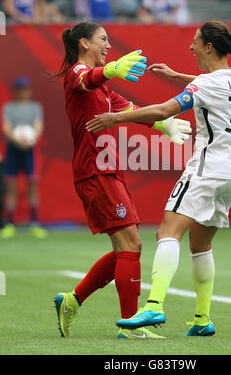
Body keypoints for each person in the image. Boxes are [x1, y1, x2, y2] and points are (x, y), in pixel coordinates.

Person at [86, 15, 231, 337]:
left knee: (167, 232)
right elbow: (208, 84)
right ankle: (203, 319)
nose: (190, 46)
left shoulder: (205, 84)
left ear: (208, 46)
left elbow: (165, 111)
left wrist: (115, 118)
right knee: (201, 244)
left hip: (207, 167)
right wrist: (176, 74)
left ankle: (153, 306)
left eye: (194, 41)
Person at [52, 21, 191, 340]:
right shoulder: (78, 74)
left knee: (124, 251)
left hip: (108, 170)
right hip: (94, 172)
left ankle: (71, 302)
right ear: (84, 44)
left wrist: (163, 126)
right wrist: (113, 67)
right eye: (103, 40)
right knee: (132, 244)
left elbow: (129, 110)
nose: (108, 45)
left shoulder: (103, 87)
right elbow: (87, 80)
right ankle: (131, 326)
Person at [1, 76, 47, 239]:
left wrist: (31, 139)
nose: (24, 92)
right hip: (13, 149)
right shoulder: (9, 107)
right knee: (11, 186)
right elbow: (6, 127)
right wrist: (17, 139)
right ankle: (9, 223)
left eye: (26, 89)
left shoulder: (35, 107)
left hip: (29, 150)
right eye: (21, 89)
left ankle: (34, 223)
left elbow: (38, 126)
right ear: (16, 91)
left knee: (32, 184)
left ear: (29, 91)